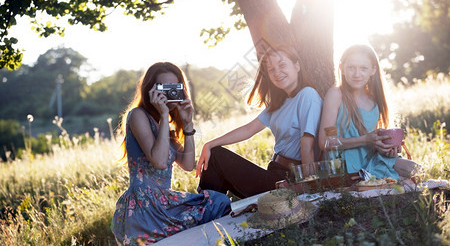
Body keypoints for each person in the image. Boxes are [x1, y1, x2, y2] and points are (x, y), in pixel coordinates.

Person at [111, 62, 231, 245]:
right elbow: (159, 161)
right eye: (163, 88)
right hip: (144, 206)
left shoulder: (165, 126)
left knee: (219, 201)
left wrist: (188, 124)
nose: (169, 93)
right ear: (151, 91)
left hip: (164, 203)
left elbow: (188, 165)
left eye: (174, 87)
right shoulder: (138, 115)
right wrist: (165, 114)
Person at [196, 46, 323, 199]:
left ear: (297, 66)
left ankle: (202, 210)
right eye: (271, 69)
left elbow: (307, 147)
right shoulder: (280, 102)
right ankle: (210, 209)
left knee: (216, 156)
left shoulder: (307, 95)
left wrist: (309, 191)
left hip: (290, 179)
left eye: (282, 65)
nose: (277, 73)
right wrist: (209, 144)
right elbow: (249, 129)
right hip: (274, 173)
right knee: (214, 153)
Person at [318, 44, 422, 181]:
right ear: (342, 68)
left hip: (372, 161)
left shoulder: (375, 99)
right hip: (347, 166)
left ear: (373, 70)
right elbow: (323, 142)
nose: (357, 74)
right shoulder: (336, 94)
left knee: (416, 171)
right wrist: (366, 140)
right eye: (351, 68)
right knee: (406, 184)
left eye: (363, 68)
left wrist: (386, 148)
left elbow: (373, 141)